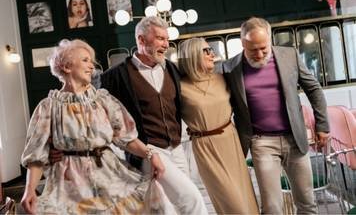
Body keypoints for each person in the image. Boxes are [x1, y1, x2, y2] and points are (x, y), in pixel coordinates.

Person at [20, 39, 173, 214]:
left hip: (109, 175)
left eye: (91, 61)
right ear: (66, 66)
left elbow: (126, 138)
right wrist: (29, 189)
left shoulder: (103, 100)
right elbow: (36, 156)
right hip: (69, 185)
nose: (92, 66)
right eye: (85, 60)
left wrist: (150, 154)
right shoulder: (48, 107)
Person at [217, 17, 330, 214]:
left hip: (295, 138)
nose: (260, 54)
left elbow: (314, 90)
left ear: (270, 39)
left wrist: (322, 125)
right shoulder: (230, 68)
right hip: (261, 143)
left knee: (307, 203)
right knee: (272, 207)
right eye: (253, 49)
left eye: (264, 47)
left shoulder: (289, 55)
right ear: (243, 43)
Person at [100, 16, 208, 214]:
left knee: (169, 207)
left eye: (166, 39)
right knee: (191, 198)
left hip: (176, 148)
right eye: (160, 39)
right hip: (148, 149)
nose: (166, 44)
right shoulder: (114, 76)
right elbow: (101, 117)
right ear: (141, 40)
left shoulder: (172, 69)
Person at [178, 37, 259, 214]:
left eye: (211, 50)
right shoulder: (179, 87)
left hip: (231, 141)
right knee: (231, 203)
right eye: (205, 51)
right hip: (205, 147)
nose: (211, 54)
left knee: (245, 197)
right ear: (191, 56)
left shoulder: (223, 77)